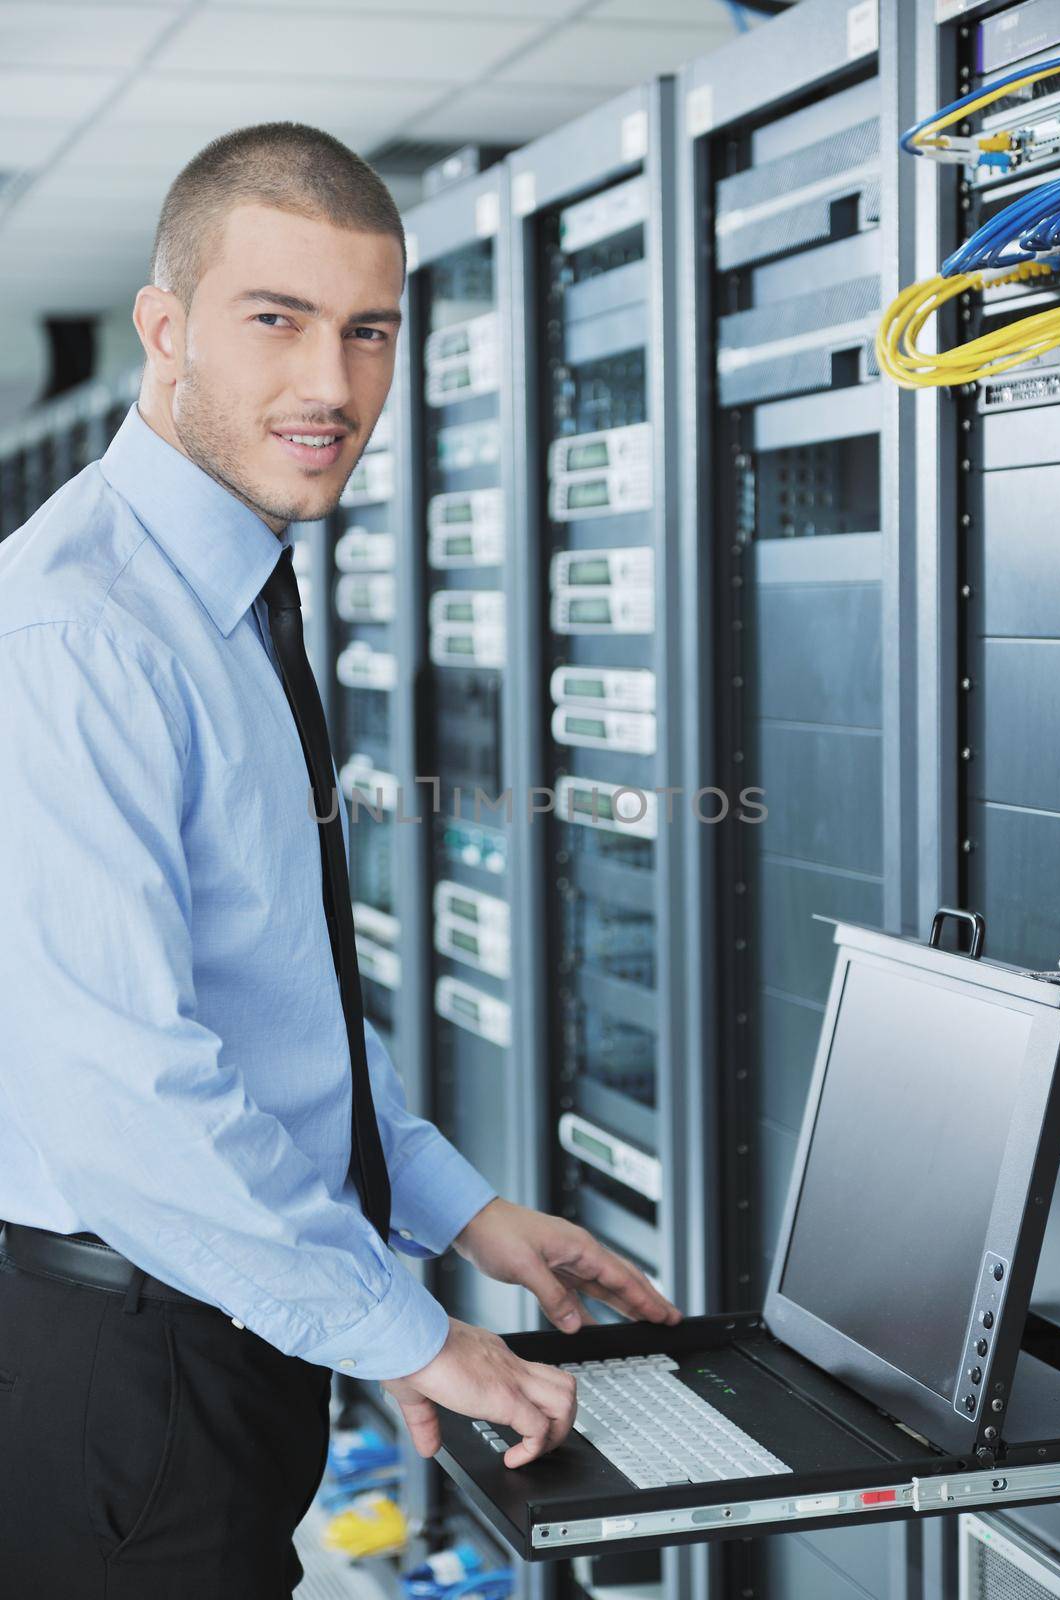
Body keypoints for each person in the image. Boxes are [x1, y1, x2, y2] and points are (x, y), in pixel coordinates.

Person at [0, 122, 680, 1598]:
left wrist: (463, 1213)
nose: (333, 384)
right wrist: (414, 1333)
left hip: (217, 1335)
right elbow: (125, 1089)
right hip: (129, 1367)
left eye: (369, 331)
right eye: (278, 321)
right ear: (164, 331)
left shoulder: (227, 597)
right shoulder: (80, 635)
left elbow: (269, 1004)